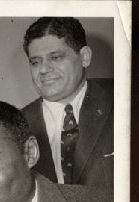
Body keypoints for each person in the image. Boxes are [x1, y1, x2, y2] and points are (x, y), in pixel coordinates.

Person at [21, 17, 113, 190]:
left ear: (84, 57)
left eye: (55, 57)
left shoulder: (123, 99)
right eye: (35, 62)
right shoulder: (17, 125)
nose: (43, 69)